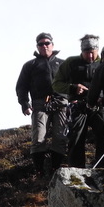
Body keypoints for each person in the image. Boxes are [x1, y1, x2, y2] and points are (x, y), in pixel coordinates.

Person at [51, 34, 104, 168]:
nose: (90, 56)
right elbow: (56, 84)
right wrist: (72, 88)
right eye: (87, 53)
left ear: (97, 50)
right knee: (76, 137)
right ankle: (77, 169)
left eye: (93, 53)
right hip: (78, 105)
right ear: (82, 51)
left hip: (99, 106)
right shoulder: (71, 63)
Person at [15, 32, 64, 177]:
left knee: (60, 137)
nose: (44, 46)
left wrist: (73, 98)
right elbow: (21, 86)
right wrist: (24, 103)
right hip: (39, 103)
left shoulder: (63, 64)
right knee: (38, 138)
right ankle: (39, 171)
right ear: (37, 46)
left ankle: (56, 169)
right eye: (41, 44)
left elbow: (72, 82)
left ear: (52, 45)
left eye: (47, 43)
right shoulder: (30, 65)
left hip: (61, 103)